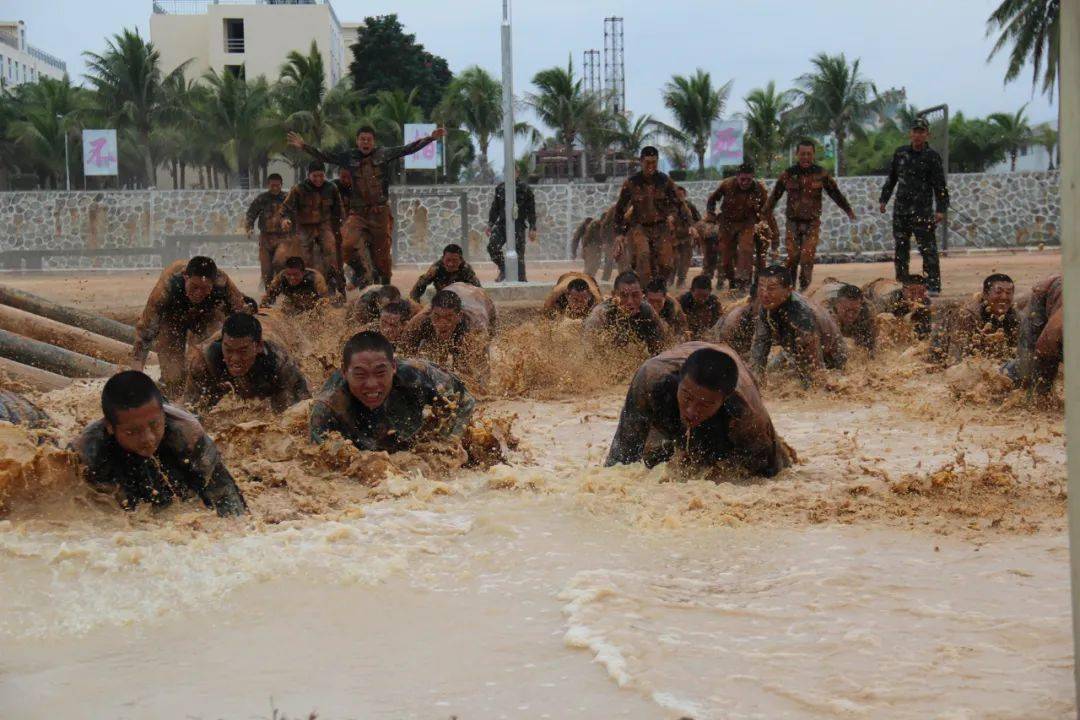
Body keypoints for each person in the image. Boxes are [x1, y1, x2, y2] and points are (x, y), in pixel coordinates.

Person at [70, 371, 246, 516]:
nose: (148, 439)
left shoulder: (187, 431)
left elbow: (225, 494)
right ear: (110, 427)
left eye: (154, 425)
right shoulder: (88, 452)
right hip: (119, 472)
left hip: (174, 465)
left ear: (164, 413)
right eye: (133, 431)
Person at [288, 125, 446, 286]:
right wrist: (303, 146)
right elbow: (326, 156)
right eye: (362, 139)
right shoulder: (349, 157)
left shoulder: (383, 154)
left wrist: (431, 138)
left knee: (382, 255)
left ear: (373, 141)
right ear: (357, 141)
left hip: (380, 213)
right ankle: (359, 271)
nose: (365, 142)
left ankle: (386, 286)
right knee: (344, 244)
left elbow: (408, 149)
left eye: (369, 139)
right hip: (358, 214)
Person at [605, 343, 791, 477]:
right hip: (669, 387)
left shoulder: (747, 414)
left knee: (723, 467)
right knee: (654, 462)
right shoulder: (650, 378)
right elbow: (621, 456)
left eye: (704, 404)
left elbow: (773, 474)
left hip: (728, 409)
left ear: (723, 400)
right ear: (680, 381)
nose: (691, 411)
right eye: (687, 398)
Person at [309, 331, 475, 452]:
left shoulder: (416, 375)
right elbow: (323, 460)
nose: (372, 384)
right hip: (358, 436)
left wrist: (447, 443)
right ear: (345, 372)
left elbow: (464, 401)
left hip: (405, 426)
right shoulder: (327, 406)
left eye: (380, 373)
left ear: (393, 367)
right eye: (360, 375)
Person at [133, 256, 247, 394]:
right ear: (185, 277)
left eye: (205, 288)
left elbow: (242, 316)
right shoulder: (168, 285)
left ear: (213, 283)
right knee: (174, 381)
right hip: (172, 320)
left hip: (206, 316)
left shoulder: (222, 283)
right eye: (194, 287)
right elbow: (145, 329)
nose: (198, 293)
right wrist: (137, 371)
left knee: (206, 364)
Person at [765, 140, 856, 291]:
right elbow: (775, 196)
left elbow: (835, 193)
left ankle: (804, 289)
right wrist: (764, 214)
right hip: (792, 222)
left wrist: (848, 210)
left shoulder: (821, 174)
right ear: (797, 155)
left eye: (809, 154)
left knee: (807, 256)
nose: (805, 157)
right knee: (793, 256)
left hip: (812, 223)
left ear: (813, 155)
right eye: (802, 154)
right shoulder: (788, 174)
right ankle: (789, 288)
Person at [184, 313, 310, 413]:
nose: (234, 359)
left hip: (278, 323)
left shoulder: (279, 361)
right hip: (253, 328)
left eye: (242, 351)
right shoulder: (204, 360)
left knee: (287, 411)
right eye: (228, 350)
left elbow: (303, 410)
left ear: (259, 346)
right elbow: (187, 411)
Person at [879, 117, 950, 294]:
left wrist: (941, 208)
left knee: (928, 249)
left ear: (927, 134)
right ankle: (902, 284)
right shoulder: (900, 153)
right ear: (910, 133)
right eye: (915, 131)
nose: (918, 135)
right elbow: (892, 178)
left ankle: (933, 285)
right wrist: (883, 199)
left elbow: (940, 185)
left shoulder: (932, 157)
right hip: (901, 210)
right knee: (901, 248)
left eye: (921, 132)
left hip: (923, 211)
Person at [750, 265, 846, 386]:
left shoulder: (801, 314)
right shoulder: (768, 305)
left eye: (771, 288)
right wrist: (755, 380)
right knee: (770, 371)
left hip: (831, 356)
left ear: (789, 290)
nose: (764, 294)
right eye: (761, 287)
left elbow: (814, 366)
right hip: (793, 351)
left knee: (813, 384)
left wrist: (812, 386)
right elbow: (760, 345)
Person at [612, 146, 690, 286]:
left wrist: (688, 225)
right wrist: (619, 233)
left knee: (666, 264)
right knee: (643, 256)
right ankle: (645, 291)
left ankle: (659, 287)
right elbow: (619, 209)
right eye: (648, 162)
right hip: (640, 227)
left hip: (661, 227)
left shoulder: (665, 181)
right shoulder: (631, 183)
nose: (651, 166)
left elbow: (679, 204)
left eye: (654, 162)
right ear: (641, 162)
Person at [400, 286, 494, 386]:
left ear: (459, 316)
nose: (442, 324)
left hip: (479, 299)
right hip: (452, 291)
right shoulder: (417, 323)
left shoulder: (475, 329)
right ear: (430, 314)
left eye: (449, 318)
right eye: (437, 317)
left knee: (466, 369)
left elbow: (482, 373)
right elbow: (403, 357)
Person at [705, 162, 776, 292]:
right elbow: (712, 200)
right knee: (725, 258)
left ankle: (744, 283)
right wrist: (711, 218)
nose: (745, 182)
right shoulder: (727, 184)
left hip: (747, 223)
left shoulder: (758, 188)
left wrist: (770, 229)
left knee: (746, 249)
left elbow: (767, 210)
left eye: (748, 179)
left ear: (753, 177)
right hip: (727, 223)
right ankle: (732, 281)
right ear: (737, 177)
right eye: (742, 179)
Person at [282, 160, 344, 295]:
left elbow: (338, 210)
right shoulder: (298, 189)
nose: (318, 179)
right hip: (304, 227)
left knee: (331, 253)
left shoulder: (331, 188)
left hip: (324, 225)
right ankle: (307, 287)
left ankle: (333, 286)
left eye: (321, 175)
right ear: (309, 175)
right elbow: (286, 207)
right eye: (315, 176)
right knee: (305, 258)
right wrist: (286, 219)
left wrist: (339, 227)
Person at [929, 273, 1018, 366]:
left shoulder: (1015, 316)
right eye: (998, 292)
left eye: (1008, 293)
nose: (1004, 297)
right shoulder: (967, 316)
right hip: (940, 352)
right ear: (985, 294)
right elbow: (955, 360)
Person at [583, 270, 670, 355]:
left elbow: (660, 351)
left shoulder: (647, 311)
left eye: (635, 295)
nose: (630, 302)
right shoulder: (600, 314)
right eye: (624, 296)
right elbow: (589, 353)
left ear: (642, 294)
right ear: (614, 295)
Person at [1009, 273, 1063, 394]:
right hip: (1045, 295)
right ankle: (999, 373)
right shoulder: (1062, 323)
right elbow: (1043, 348)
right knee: (1027, 367)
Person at [486, 168, 538, 282]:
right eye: (507, 172)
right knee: (492, 247)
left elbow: (531, 210)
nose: (509, 175)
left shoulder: (525, 189)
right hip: (502, 225)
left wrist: (532, 228)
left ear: (517, 173)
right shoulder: (500, 188)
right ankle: (504, 269)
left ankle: (521, 279)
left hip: (518, 225)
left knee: (519, 255)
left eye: (512, 172)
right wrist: (490, 224)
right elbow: (495, 208)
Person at [245, 173, 293, 288]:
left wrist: (288, 222)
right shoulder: (262, 198)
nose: (275, 187)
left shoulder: (287, 198)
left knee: (279, 262)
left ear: (281, 185)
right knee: (266, 269)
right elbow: (251, 213)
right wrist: (249, 228)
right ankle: (269, 294)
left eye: (277, 185)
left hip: (282, 238)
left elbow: (293, 214)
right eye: (272, 185)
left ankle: (283, 288)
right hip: (265, 238)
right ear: (268, 185)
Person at [813, 280, 877, 355]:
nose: (850, 315)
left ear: (860, 306)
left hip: (842, 288)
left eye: (855, 311)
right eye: (846, 310)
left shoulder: (867, 310)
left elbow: (870, 347)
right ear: (837, 306)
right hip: (826, 290)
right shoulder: (825, 313)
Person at [864, 274, 933, 340]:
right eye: (912, 292)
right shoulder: (890, 300)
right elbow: (874, 321)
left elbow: (926, 332)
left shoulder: (926, 303)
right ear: (903, 290)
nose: (917, 297)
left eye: (921, 292)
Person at [409, 244, 482, 301]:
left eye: (455, 260)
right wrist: (415, 301)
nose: (451, 264)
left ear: (461, 260)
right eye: (448, 260)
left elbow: (479, 291)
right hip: (441, 302)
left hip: (462, 302)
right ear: (443, 258)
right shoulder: (436, 268)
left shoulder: (466, 269)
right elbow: (419, 286)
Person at [260, 256, 330, 314]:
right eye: (289, 275)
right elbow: (268, 297)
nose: (292, 278)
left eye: (295, 275)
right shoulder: (281, 277)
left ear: (303, 273)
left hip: (312, 305)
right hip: (292, 304)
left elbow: (325, 302)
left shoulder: (316, 278)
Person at [672, 186, 702, 288]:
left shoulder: (689, 206)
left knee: (685, 259)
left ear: (685, 195)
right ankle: (669, 281)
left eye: (681, 195)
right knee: (673, 260)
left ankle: (681, 280)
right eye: (677, 195)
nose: (679, 197)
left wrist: (693, 228)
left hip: (686, 237)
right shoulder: (668, 207)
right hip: (672, 237)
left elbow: (698, 219)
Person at [350, 284, 421, 326]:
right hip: (363, 302)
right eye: (389, 306)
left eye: (394, 306)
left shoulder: (404, 304)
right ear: (380, 301)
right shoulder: (365, 302)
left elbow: (417, 315)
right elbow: (357, 321)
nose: (391, 308)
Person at [679, 275, 723, 340]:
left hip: (705, 332)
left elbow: (719, 323)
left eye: (705, 296)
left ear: (710, 291)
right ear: (691, 290)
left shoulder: (714, 303)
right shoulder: (682, 301)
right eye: (698, 296)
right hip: (686, 332)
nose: (701, 299)